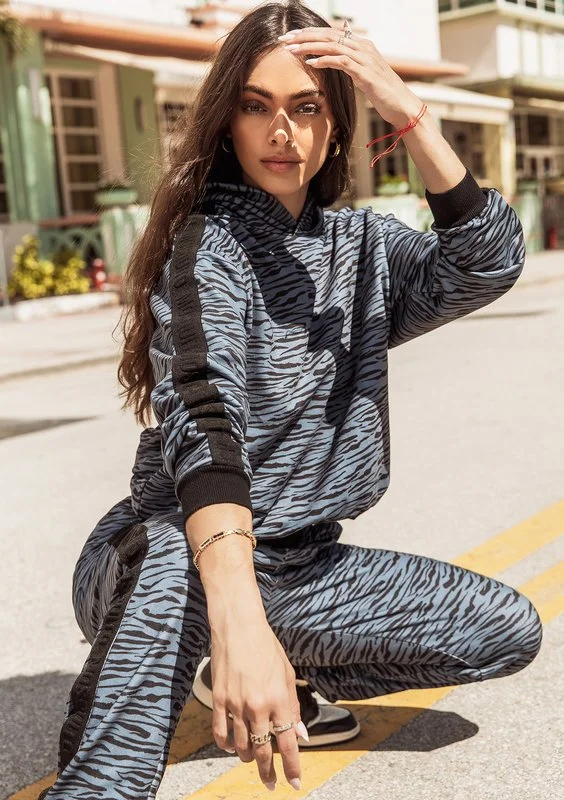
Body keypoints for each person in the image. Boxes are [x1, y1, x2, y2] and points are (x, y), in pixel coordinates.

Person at [38, 1, 543, 798]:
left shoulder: (364, 249)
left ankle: (254, 663)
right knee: (172, 565)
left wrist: (405, 109)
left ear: (335, 127)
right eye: (256, 106)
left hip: (300, 567)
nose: (282, 131)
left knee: (503, 629)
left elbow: (489, 261)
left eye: (306, 108)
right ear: (227, 124)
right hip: (173, 554)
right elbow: (204, 416)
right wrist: (237, 616)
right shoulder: (205, 247)